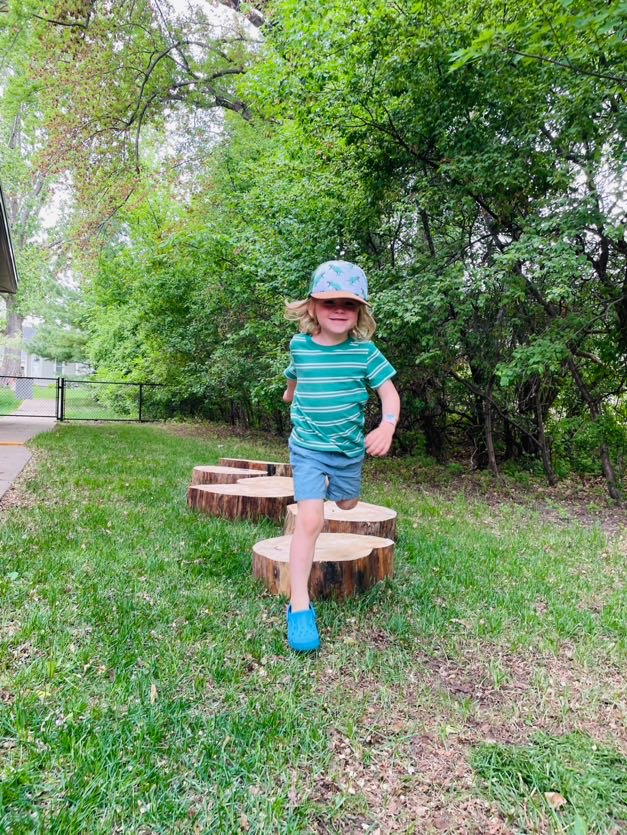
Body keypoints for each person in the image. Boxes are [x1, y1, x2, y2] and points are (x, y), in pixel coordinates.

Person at [282, 260, 400, 652]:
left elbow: (390, 394)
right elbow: (295, 376)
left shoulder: (364, 353)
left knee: (347, 504)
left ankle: (341, 491)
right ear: (312, 306)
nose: (338, 309)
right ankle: (300, 607)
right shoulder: (299, 346)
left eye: (348, 304)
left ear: (359, 312)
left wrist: (386, 426)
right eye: (329, 301)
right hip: (308, 449)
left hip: (348, 452)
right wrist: (290, 395)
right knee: (310, 520)